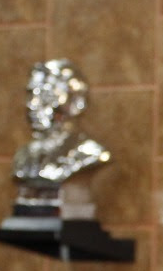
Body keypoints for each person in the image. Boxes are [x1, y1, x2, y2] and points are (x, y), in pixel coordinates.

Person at [12, 58, 111, 188]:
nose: (32, 105)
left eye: (46, 95)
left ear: (75, 102)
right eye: (31, 95)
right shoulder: (24, 156)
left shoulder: (89, 154)